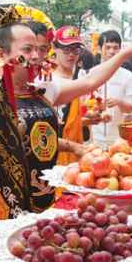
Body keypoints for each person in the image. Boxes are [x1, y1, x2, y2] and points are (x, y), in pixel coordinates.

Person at [0, 10, 132, 248]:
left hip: (45, 199)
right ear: (2, 54)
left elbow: (91, 82)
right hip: (3, 201)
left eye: (39, 50)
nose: (36, 57)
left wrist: (126, 54)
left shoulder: (43, 89)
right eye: (27, 50)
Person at [50, 26, 102, 165]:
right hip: (55, 154)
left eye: (76, 50)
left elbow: (77, 117)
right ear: (54, 48)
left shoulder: (82, 78)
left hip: (80, 149)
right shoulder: (49, 82)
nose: (71, 54)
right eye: (66, 49)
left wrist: (89, 118)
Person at [90, 30, 132, 144]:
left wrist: (119, 102)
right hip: (96, 137)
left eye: (115, 47)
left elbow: (131, 109)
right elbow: (85, 107)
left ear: (120, 49)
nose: (111, 51)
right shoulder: (91, 74)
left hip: (118, 138)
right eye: (107, 47)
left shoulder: (128, 76)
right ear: (99, 49)